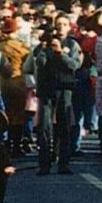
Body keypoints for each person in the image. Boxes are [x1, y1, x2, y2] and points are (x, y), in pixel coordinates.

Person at [32, 23, 80, 175]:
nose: (61, 28)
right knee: (44, 127)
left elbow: (74, 65)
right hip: (47, 89)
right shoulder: (43, 45)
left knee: (64, 127)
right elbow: (40, 63)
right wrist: (44, 47)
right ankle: (44, 164)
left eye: (64, 24)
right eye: (58, 25)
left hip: (64, 89)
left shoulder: (72, 44)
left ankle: (64, 163)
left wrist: (61, 53)